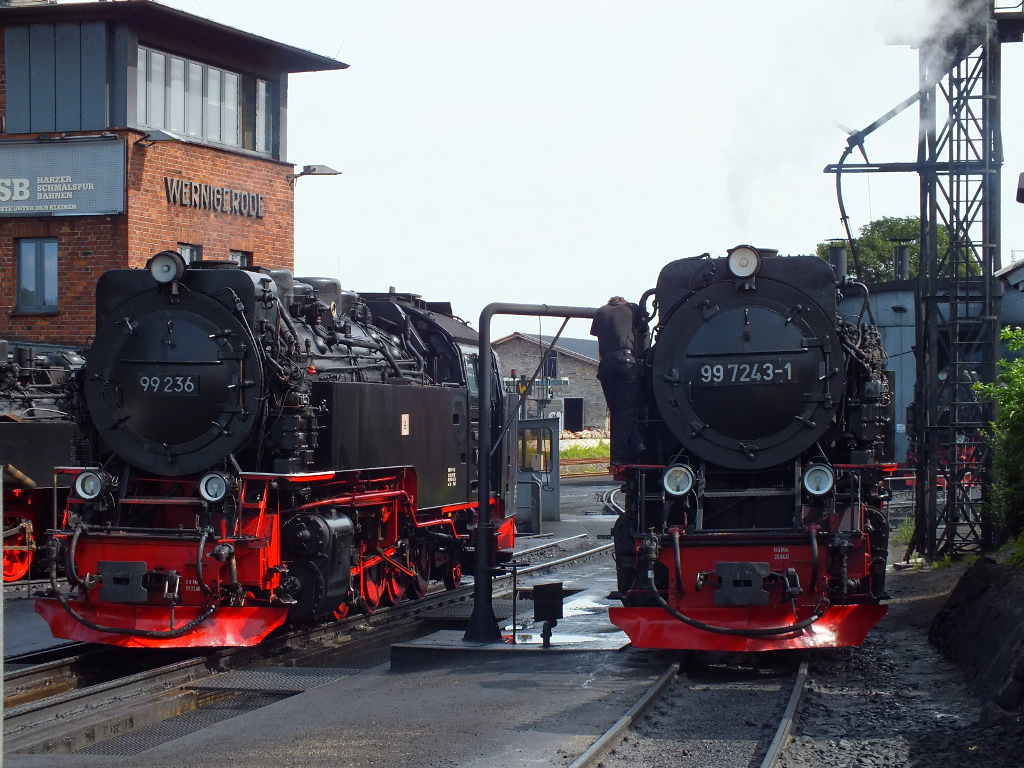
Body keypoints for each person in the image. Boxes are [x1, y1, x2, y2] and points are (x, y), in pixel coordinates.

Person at [590, 296, 646, 466]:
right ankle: (619, 456)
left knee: (616, 411)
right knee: (626, 411)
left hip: (605, 364)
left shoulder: (600, 312)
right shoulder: (630, 308)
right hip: (625, 361)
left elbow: (596, 333)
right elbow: (642, 327)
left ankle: (637, 445)